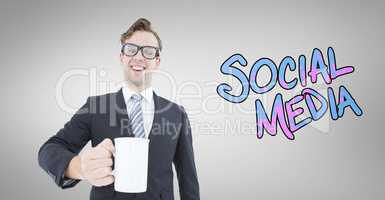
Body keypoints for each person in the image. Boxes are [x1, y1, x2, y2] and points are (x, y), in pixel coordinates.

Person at [38, 18, 200, 200]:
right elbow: (49, 149)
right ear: (122, 57)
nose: (138, 57)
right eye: (131, 49)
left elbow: (188, 178)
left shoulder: (176, 114)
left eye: (148, 52)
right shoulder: (95, 107)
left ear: (157, 61)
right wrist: (79, 167)